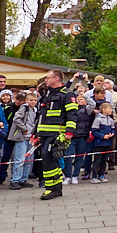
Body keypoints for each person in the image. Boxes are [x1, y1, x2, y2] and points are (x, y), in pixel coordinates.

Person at [31, 69, 77, 200]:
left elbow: (72, 114)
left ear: (56, 79)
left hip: (57, 134)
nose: (46, 80)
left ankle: (50, 188)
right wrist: (35, 133)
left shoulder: (67, 94)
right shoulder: (46, 95)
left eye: (48, 78)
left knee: (48, 159)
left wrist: (69, 131)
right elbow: (40, 116)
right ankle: (57, 188)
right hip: (44, 134)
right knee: (50, 159)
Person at [65, 89, 95, 185]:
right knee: (69, 157)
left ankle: (75, 176)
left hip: (82, 136)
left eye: (81, 99)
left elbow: (93, 104)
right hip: (71, 136)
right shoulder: (71, 109)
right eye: (78, 98)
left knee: (79, 157)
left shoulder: (86, 109)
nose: (79, 100)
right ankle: (67, 176)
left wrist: (85, 95)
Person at [7, 91, 36, 190]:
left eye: (35, 100)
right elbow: (16, 119)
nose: (33, 102)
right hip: (22, 137)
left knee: (29, 160)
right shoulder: (24, 108)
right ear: (26, 101)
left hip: (31, 138)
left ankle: (23, 179)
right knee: (20, 159)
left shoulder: (35, 110)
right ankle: (15, 180)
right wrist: (24, 129)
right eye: (31, 100)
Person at [90, 101, 116, 183]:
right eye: (110, 108)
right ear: (104, 110)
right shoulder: (98, 119)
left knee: (105, 160)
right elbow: (94, 131)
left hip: (108, 143)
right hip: (99, 143)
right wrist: (102, 136)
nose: (111, 110)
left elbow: (113, 129)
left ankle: (102, 175)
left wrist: (112, 134)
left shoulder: (111, 120)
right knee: (97, 160)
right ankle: (94, 176)